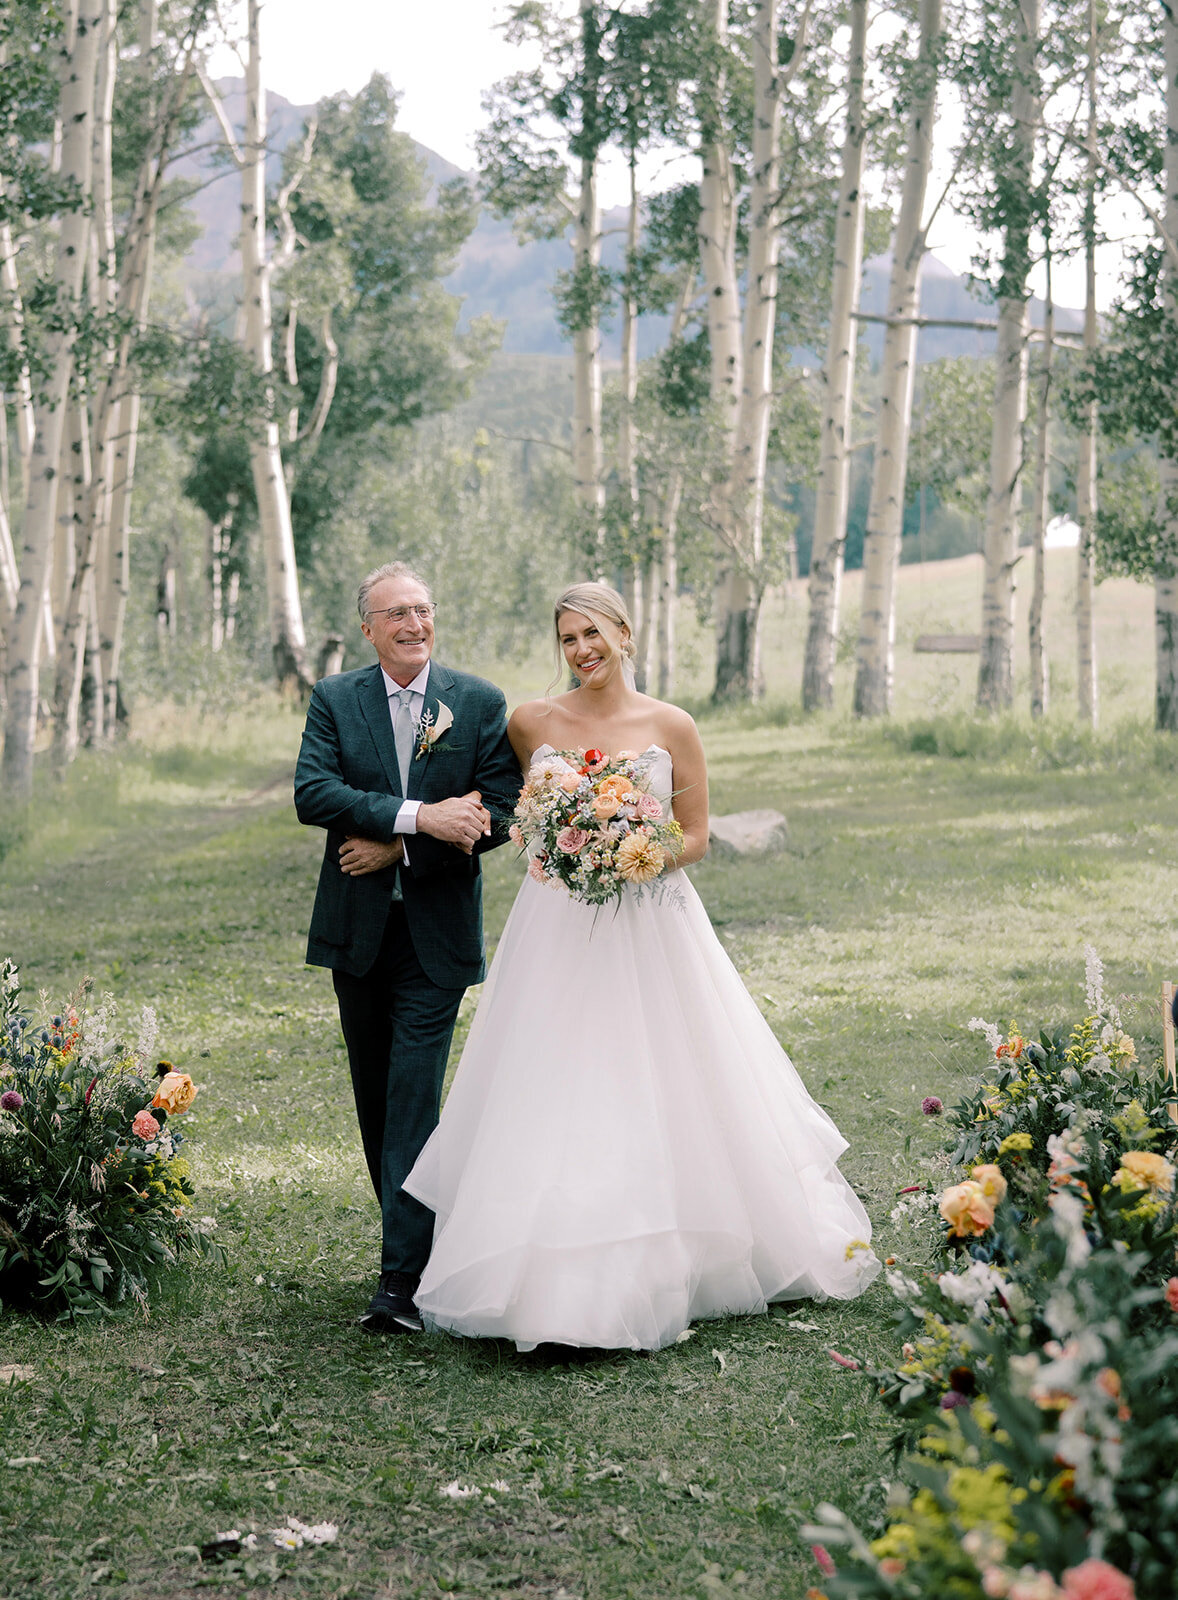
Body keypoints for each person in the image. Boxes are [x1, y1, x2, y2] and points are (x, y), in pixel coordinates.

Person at [402, 581, 879, 1352]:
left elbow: (696, 834)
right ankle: (541, 1272)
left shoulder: (671, 724)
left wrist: (638, 851)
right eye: (566, 639)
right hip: (556, 928)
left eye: (592, 634)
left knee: (664, 1076)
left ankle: (677, 1255)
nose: (581, 651)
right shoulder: (531, 722)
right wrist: (552, 840)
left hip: (650, 920)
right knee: (553, 1083)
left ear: (625, 632)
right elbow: (517, 813)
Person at [294, 562, 521, 1335]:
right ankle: (411, 1240)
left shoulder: (480, 702)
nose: (412, 625)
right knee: (375, 1098)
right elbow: (313, 793)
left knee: (412, 1096)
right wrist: (419, 816)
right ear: (368, 628)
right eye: (394, 614)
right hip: (356, 934)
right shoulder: (334, 699)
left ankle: (400, 1281)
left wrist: (403, 844)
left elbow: (503, 808)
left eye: (422, 610)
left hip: (434, 934)